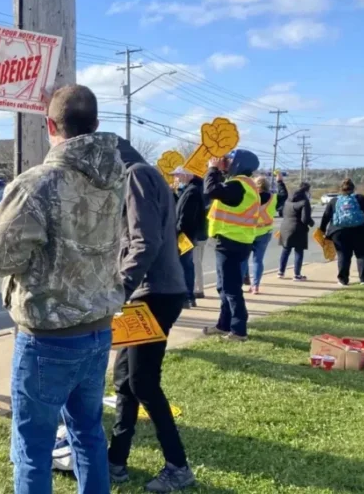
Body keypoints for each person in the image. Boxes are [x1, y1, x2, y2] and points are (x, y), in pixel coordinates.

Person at [0, 84, 125, 494]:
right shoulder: (114, 178)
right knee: (88, 431)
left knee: (33, 446)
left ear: (50, 125)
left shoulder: (37, 183)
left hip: (48, 336)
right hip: (98, 328)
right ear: (96, 124)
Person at [110, 142, 194, 492]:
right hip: (148, 293)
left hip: (152, 295)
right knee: (124, 380)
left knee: (143, 383)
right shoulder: (146, 175)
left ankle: (178, 467)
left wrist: (120, 290)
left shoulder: (136, 176)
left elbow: (144, 242)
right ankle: (116, 461)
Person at [203, 149, 260, 342]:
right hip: (235, 240)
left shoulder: (238, 185)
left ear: (239, 163)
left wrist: (212, 169)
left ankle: (239, 330)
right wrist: (218, 172)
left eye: (229, 160)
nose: (225, 163)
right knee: (223, 286)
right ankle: (224, 324)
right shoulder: (243, 184)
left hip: (231, 241)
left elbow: (211, 190)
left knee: (231, 288)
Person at [320, 178, 364, 286]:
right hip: (360, 230)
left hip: (339, 232)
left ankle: (343, 280)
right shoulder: (359, 198)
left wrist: (322, 230)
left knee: (343, 255)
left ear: (341, 189)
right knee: (362, 255)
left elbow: (326, 216)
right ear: (353, 188)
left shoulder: (334, 201)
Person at [172, 166, 206, 309]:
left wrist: (178, 232)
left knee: (184, 266)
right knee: (186, 265)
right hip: (187, 234)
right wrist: (173, 194)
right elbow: (179, 207)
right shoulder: (190, 190)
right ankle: (187, 297)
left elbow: (186, 217)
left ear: (186, 174)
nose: (176, 178)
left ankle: (187, 297)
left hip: (185, 235)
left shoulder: (192, 191)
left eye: (178, 175)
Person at [240, 175, 277, 294]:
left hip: (249, 231)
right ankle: (255, 286)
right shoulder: (273, 198)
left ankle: (239, 285)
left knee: (243, 259)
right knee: (258, 260)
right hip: (265, 231)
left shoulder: (250, 196)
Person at [278, 181, 314, 281]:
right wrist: (311, 222)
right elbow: (305, 219)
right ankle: (297, 274)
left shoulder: (288, 200)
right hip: (298, 229)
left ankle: (281, 271)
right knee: (299, 251)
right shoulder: (304, 201)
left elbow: (282, 213)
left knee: (286, 249)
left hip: (285, 227)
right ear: (307, 190)